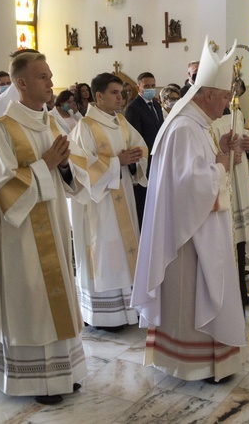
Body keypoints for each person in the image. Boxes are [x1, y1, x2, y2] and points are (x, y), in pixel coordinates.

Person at [131, 36, 246, 383]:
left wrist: (219, 153)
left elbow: (195, 176)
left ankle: (211, 360)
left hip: (201, 228)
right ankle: (192, 362)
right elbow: (190, 189)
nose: (227, 103)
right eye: (225, 96)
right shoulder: (183, 127)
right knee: (192, 296)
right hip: (189, 239)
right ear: (208, 94)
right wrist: (222, 164)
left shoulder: (196, 124)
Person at [0, 51, 90, 405]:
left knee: (56, 298)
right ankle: (36, 381)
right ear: (21, 83)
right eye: (42, 76)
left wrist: (64, 168)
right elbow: (0, 189)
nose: (50, 81)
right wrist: (45, 164)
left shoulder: (53, 123)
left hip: (54, 227)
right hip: (22, 235)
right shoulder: (2, 129)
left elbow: (69, 180)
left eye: (50, 75)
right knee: (32, 299)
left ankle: (63, 372)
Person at [70, 72, 148, 330]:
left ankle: (128, 310)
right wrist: (118, 162)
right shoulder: (85, 126)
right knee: (104, 251)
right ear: (98, 96)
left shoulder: (122, 122)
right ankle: (104, 316)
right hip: (99, 204)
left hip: (123, 194)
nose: (121, 97)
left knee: (123, 250)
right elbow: (80, 166)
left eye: (122, 92)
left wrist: (137, 159)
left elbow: (141, 147)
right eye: (114, 92)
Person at [212, 78, 249, 307]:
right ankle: (225, 296)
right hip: (220, 184)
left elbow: (244, 143)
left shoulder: (236, 114)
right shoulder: (205, 120)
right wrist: (224, 154)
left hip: (237, 183)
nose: (229, 95)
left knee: (237, 239)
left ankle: (240, 291)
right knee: (223, 239)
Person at [125, 71, 163, 228]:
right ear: (138, 87)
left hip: (157, 159)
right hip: (144, 162)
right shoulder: (133, 108)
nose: (151, 89)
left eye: (153, 86)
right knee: (144, 202)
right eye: (146, 86)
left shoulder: (156, 105)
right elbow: (134, 139)